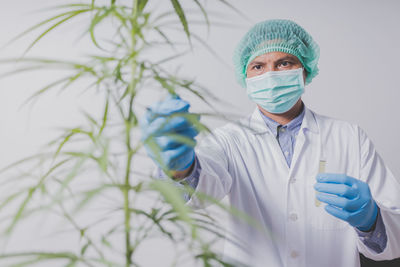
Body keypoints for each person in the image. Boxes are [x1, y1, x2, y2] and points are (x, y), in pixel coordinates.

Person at [140, 19, 400, 267]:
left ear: (305, 70)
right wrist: (180, 168)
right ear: (246, 76)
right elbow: (204, 185)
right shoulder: (230, 140)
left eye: (284, 63)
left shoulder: (350, 138)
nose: (271, 74)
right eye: (258, 66)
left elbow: (395, 239)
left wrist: (371, 219)